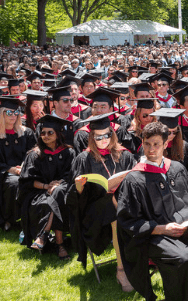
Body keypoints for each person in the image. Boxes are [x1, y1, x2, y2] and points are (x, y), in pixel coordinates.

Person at [116, 121, 188, 301]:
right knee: (186, 258)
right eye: (147, 144)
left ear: (166, 144)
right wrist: (161, 229)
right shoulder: (134, 179)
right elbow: (127, 220)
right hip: (155, 236)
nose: (151, 149)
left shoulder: (177, 168)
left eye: (156, 144)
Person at [68, 113, 137, 291]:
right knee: (113, 210)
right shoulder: (84, 159)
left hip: (123, 205)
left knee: (120, 207)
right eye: (98, 137)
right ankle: (122, 270)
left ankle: (142, 259)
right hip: (95, 215)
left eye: (107, 135)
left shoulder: (125, 156)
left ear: (113, 134)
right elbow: (75, 199)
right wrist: (79, 186)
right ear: (92, 137)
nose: (104, 139)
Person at [18, 115, 76, 260]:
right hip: (39, 193)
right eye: (43, 133)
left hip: (63, 190)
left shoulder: (69, 152)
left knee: (59, 192)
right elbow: (27, 181)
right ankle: (60, 244)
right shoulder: (35, 155)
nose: (45, 136)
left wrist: (58, 184)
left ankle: (44, 234)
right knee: (56, 197)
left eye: (50, 132)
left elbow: (72, 176)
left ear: (58, 134)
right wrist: (46, 186)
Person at [0, 96, 37, 231]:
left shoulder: (26, 133)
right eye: (9, 112)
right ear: (1, 114)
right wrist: (10, 169)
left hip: (26, 168)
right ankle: (8, 218)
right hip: (3, 174)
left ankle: (34, 215)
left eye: (16, 112)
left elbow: (34, 152)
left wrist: (25, 165)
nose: (13, 115)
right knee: (14, 183)